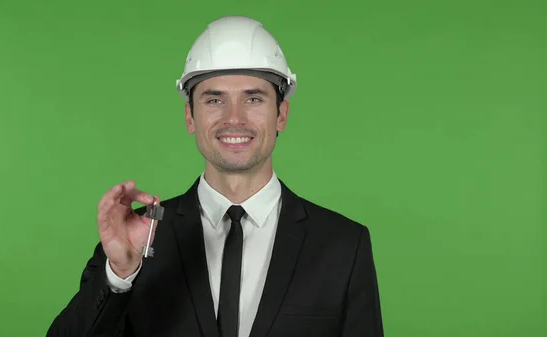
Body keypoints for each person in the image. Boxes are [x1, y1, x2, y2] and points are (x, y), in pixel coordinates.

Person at [46, 15, 384, 337]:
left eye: (253, 98)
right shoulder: (140, 238)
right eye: (214, 100)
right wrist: (120, 276)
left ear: (281, 115)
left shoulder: (343, 245)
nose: (233, 118)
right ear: (190, 117)